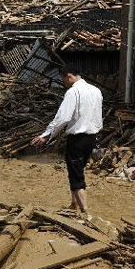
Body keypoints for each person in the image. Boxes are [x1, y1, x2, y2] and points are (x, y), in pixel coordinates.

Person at [31, 66, 103, 219]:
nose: (64, 82)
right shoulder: (96, 91)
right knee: (77, 170)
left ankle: (85, 213)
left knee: (76, 175)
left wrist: (46, 135)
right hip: (91, 138)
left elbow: (63, 117)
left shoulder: (73, 92)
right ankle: (73, 205)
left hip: (77, 139)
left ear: (69, 76)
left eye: (64, 79)